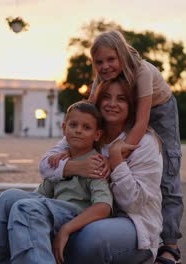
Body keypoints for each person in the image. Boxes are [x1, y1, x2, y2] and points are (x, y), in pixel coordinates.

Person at [45, 30, 184, 263]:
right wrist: (74, 147)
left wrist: (115, 157)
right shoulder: (103, 78)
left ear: (121, 55)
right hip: (130, 105)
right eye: (99, 62)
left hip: (160, 109)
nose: (105, 66)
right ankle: (107, 217)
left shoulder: (142, 71)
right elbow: (89, 110)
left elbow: (141, 122)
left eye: (111, 60)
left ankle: (170, 245)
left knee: (168, 174)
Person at [40, 77, 163, 263]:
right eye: (106, 97)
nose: (112, 104)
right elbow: (45, 168)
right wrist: (72, 160)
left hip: (134, 224)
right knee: (11, 202)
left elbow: (133, 204)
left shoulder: (145, 143)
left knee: (89, 238)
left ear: (131, 105)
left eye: (121, 98)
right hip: (88, 215)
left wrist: (116, 160)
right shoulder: (86, 129)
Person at [0, 101, 113, 264]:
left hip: (74, 215)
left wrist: (67, 228)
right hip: (54, 210)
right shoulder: (61, 161)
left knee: (24, 208)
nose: (78, 130)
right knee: (7, 198)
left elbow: (104, 206)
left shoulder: (95, 163)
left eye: (86, 128)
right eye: (73, 125)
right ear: (64, 128)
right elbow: (40, 196)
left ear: (97, 135)